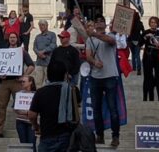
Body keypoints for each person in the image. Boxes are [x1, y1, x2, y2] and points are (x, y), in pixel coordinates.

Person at [28, 60, 80, 152]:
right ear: (65, 74)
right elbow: (78, 104)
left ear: (48, 75)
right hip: (67, 137)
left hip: (47, 136)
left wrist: (35, 126)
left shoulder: (41, 92)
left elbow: (32, 115)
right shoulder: (73, 90)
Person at [85, 15, 121, 147]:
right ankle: (99, 135)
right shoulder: (90, 39)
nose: (99, 23)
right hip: (96, 77)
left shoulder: (111, 35)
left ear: (105, 24)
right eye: (97, 21)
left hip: (110, 76)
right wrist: (94, 62)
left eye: (102, 21)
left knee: (112, 108)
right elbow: (88, 55)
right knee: (96, 108)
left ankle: (115, 136)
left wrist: (94, 34)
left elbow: (110, 41)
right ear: (94, 24)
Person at [0, 32, 35, 138]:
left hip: (17, 82)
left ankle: (26, 128)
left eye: (14, 37)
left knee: (22, 105)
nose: (12, 39)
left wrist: (24, 75)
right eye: (11, 37)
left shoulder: (22, 51)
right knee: (1, 106)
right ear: (8, 39)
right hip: (4, 82)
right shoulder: (3, 52)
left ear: (17, 39)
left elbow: (31, 65)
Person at [142, 17, 159, 101]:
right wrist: (145, 37)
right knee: (147, 78)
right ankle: (147, 97)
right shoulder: (146, 32)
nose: (153, 24)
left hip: (158, 58)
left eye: (155, 22)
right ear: (149, 23)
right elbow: (139, 43)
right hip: (148, 57)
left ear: (158, 24)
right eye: (152, 22)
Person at [14, 76, 36, 152]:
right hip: (20, 122)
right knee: (24, 146)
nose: (22, 83)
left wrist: (25, 112)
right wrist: (28, 112)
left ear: (30, 82)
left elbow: (37, 110)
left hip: (32, 122)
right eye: (21, 82)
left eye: (24, 81)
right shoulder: (18, 94)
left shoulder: (36, 94)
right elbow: (16, 109)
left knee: (32, 145)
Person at [32, 20, 56, 86]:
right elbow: (34, 47)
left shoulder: (52, 35)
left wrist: (44, 51)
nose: (41, 26)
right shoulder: (37, 37)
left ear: (47, 25)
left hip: (48, 62)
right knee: (37, 82)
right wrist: (39, 53)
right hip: (39, 62)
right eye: (40, 25)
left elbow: (53, 45)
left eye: (43, 25)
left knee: (48, 82)